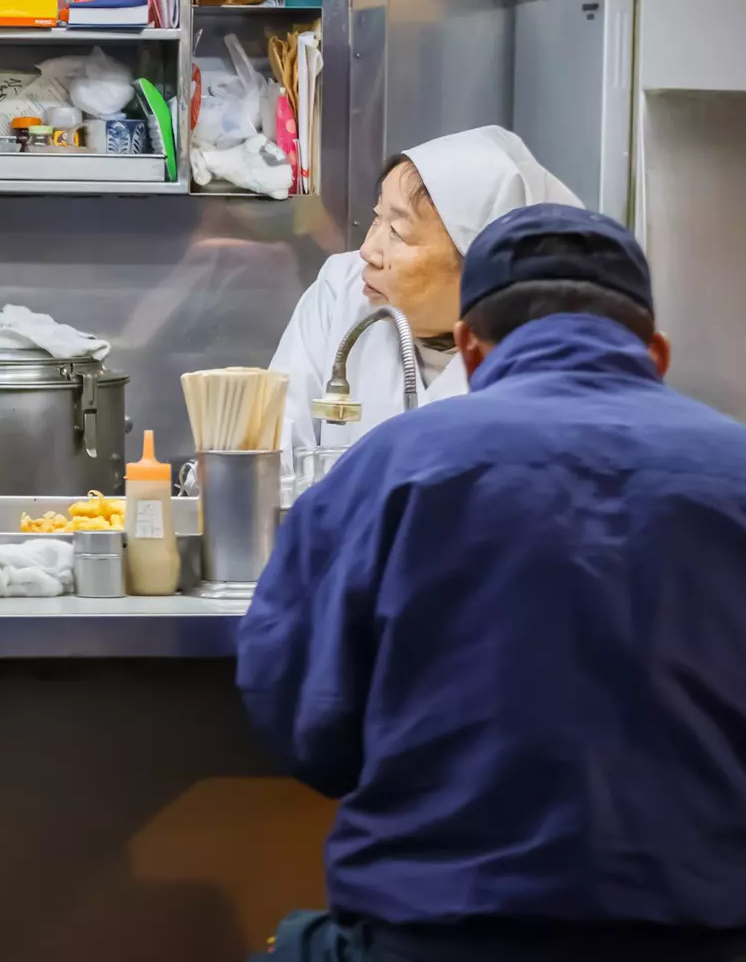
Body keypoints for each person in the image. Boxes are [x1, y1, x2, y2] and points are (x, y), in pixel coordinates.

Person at [239, 205, 746, 962]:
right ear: (656, 352)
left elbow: (305, 723)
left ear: (470, 351)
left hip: (432, 940)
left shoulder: (387, 469)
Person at [269, 125, 577, 460]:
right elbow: (277, 441)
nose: (368, 251)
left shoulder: (535, 361)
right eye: (376, 218)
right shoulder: (342, 290)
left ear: (478, 270)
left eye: (398, 232)